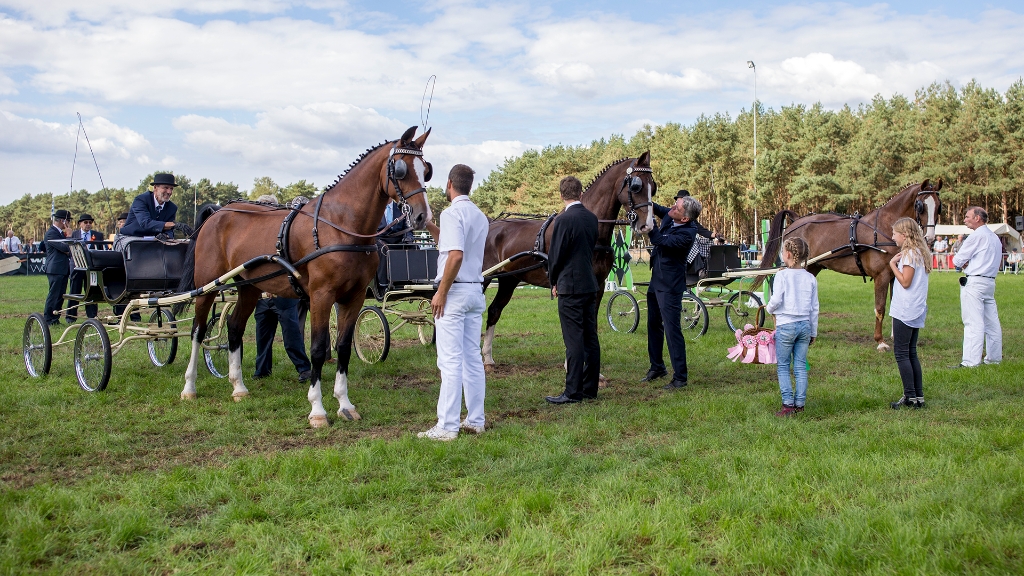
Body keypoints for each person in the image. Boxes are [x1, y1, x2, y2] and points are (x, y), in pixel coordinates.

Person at [418, 164, 488, 441]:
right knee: (472, 357)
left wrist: (441, 292)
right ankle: (475, 419)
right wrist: (430, 225)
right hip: (474, 290)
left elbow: (455, 255)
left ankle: (447, 426)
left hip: (455, 292)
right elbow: (452, 245)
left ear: (449, 184)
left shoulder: (452, 213)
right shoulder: (479, 215)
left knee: (449, 361)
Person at [544, 176, 600, 404]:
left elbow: (556, 256)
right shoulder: (592, 218)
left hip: (570, 285)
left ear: (561, 194)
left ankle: (572, 392)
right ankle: (590, 388)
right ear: (580, 193)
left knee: (573, 341)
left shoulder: (563, 220)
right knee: (590, 338)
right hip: (589, 283)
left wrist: (554, 281)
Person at [641, 192, 701, 390]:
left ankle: (680, 377)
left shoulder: (687, 234)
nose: (672, 209)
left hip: (670, 286)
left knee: (672, 329)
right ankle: (657, 366)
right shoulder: (673, 214)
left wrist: (650, 225)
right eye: (675, 205)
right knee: (653, 325)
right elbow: (656, 208)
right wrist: (645, 199)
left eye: (677, 208)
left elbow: (659, 240)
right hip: (656, 280)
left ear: (685, 218)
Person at [766, 237, 818, 417]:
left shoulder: (781, 275)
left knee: (783, 366)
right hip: (804, 325)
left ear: (787, 254)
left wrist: (768, 307)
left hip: (786, 326)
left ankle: (788, 405)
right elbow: (814, 307)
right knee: (800, 367)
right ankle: (800, 404)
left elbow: (777, 298)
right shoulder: (810, 278)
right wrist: (814, 331)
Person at [888, 218, 931, 409]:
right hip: (917, 307)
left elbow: (905, 281)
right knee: (911, 352)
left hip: (906, 308)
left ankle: (910, 397)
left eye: (894, 234)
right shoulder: (921, 253)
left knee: (902, 353)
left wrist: (892, 266)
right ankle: (917, 396)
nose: (892, 237)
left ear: (904, 235)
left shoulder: (909, 255)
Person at [952, 207, 1002, 368]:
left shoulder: (975, 237)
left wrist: (965, 262)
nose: (965, 220)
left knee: (973, 322)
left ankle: (970, 362)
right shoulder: (994, 237)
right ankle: (994, 358)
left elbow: (957, 261)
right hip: (990, 282)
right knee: (992, 322)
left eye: (967, 217)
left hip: (975, 282)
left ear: (978, 218)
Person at [253, 295, 312, 383]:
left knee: (292, 338)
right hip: (262, 301)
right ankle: (262, 370)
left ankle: (304, 369)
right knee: (262, 339)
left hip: (285, 300)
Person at [115, 173, 179, 250]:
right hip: (130, 238)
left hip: (153, 242)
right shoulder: (141, 200)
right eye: (165, 188)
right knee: (138, 252)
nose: (169, 192)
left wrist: (166, 235)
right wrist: (175, 225)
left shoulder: (172, 208)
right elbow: (145, 223)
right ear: (155, 188)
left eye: (171, 189)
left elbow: (170, 231)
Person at [67, 214, 105, 321]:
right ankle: (71, 316)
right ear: (80, 223)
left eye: (90, 222)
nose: (88, 224)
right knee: (74, 291)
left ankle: (92, 316)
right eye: (86, 222)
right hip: (77, 266)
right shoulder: (73, 234)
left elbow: (101, 250)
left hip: (91, 267)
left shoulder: (98, 235)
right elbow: (68, 250)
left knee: (91, 291)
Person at [43, 210, 73, 325]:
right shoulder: (52, 233)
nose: (69, 224)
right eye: (68, 221)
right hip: (55, 268)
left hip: (62, 268)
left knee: (60, 295)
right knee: (54, 294)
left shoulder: (59, 233)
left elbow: (67, 251)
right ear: (63, 221)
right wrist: (69, 236)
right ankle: (48, 319)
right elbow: (66, 248)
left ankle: (55, 318)